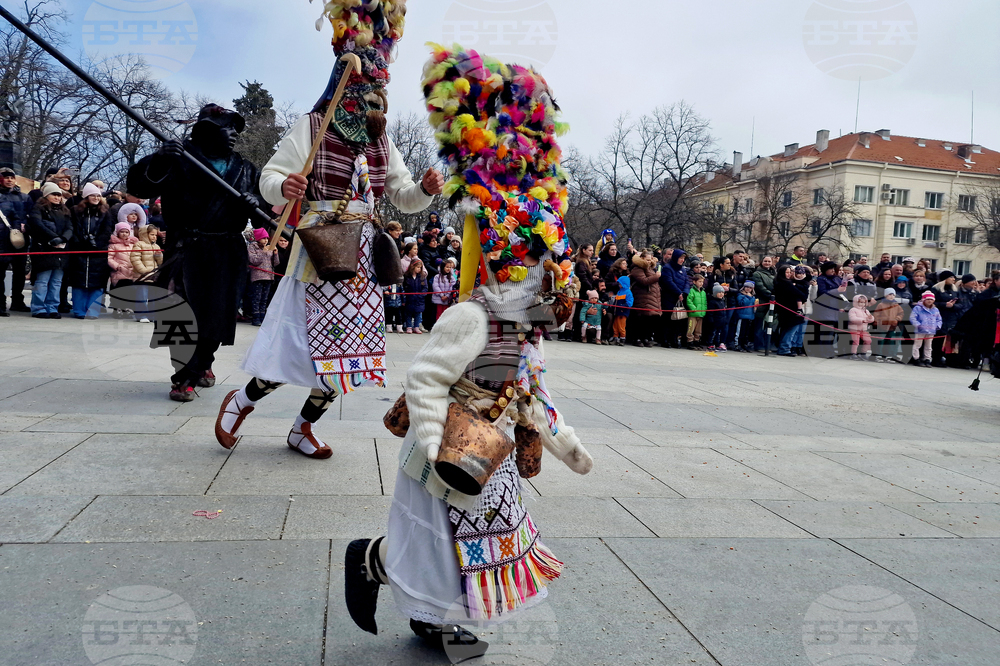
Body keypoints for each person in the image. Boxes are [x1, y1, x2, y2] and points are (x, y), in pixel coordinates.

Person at [342, 41, 590, 658]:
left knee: (471, 543)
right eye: (538, 274)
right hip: (446, 445)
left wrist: (564, 442)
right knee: (431, 543)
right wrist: (431, 441)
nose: (549, 287)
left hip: (489, 449)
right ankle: (402, 588)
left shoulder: (523, 332)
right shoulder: (472, 316)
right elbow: (425, 379)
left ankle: (413, 598)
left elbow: (530, 393)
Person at [218, 5, 443, 460]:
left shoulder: (382, 141)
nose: (376, 99)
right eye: (368, 90)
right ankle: (241, 401)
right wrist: (284, 184)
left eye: (381, 91)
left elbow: (401, 194)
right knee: (296, 347)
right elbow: (269, 177)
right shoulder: (313, 126)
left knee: (350, 361)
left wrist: (423, 188)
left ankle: (303, 428)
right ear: (345, 87)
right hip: (318, 252)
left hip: (362, 260)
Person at [128, 103, 267, 401]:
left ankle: (204, 362)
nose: (233, 136)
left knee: (218, 314)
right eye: (226, 129)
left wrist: (253, 200)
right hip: (187, 247)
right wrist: (158, 159)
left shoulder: (245, 168)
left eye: (235, 130)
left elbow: (263, 217)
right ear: (205, 131)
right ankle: (184, 375)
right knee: (184, 314)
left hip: (228, 248)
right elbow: (139, 186)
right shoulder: (179, 157)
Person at [67, 183, 114, 320]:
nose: (96, 198)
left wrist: (97, 244)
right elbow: (73, 228)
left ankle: (93, 310)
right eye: (93, 195)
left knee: (97, 283)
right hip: (80, 251)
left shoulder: (105, 213)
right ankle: (79, 310)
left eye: (98, 195)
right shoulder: (76, 211)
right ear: (86, 196)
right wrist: (81, 242)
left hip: (98, 253)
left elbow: (107, 231)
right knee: (79, 282)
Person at [26, 182, 73, 318]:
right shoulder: (38, 208)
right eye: (54, 194)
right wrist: (54, 237)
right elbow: (37, 224)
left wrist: (63, 238)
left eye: (59, 195)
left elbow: (70, 227)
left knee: (56, 282)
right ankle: (38, 307)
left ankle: (52, 307)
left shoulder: (65, 210)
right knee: (42, 281)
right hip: (43, 249)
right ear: (46, 195)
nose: (57, 197)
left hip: (61, 251)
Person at [0, 166, 31, 313]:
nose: (9, 180)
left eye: (12, 177)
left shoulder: (24, 197)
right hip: (1, 240)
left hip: (19, 240)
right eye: (6, 177)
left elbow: (31, 215)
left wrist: (26, 225)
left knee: (19, 272)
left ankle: (17, 301)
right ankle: (0, 303)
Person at [246, 227, 277, 326]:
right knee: (257, 298)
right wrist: (264, 252)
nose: (266, 240)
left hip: (269, 276)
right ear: (257, 238)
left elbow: (275, 263)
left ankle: (263, 317)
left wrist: (275, 254)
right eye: (263, 238)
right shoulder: (252, 247)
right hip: (258, 277)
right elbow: (254, 261)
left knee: (264, 298)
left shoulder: (269, 247)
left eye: (267, 238)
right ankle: (255, 318)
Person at [659, 248, 689, 348]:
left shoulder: (683, 269)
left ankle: (674, 340)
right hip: (669, 297)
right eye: (681, 258)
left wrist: (684, 293)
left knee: (678, 321)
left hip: (680, 298)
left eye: (683, 258)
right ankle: (665, 340)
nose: (682, 260)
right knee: (667, 320)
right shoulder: (667, 268)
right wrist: (678, 292)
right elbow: (668, 282)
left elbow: (686, 282)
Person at [628, 250, 660, 347]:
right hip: (641, 295)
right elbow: (643, 281)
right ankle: (636, 338)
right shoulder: (637, 268)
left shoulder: (651, 269)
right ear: (642, 258)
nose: (649, 262)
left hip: (650, 296)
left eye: (650, 260)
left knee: (649, 319)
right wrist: (656, 277)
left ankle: (645, 337)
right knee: (640, 318)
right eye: (647, 260)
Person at [107, 222, 137, 318]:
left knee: (129, 292)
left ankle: (127, 307)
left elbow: (136, 256)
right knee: (118, 291)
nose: (124, 234)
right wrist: (117, 266)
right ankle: (117, 308)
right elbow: (109, 258)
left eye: (126, 232)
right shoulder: (113, 245)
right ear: (117, 233)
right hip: (119, 272)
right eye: (122, 232)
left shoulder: (133, 245)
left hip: (130, 272)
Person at [751, 256, 777, 351]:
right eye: (765, 261)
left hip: (772, 303)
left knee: (769, 326)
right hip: (762, 301)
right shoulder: (757, 273)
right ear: (762, 262)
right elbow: (760, 287)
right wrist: (772, 295)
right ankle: (759, 345)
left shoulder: (774, 273)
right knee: (759, 325)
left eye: (769, 261)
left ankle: (768, 344)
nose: (767, 263)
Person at [909, 291, 941, 367]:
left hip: (931, 330)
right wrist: (918, 325)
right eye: (927, 299)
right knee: (917, 344)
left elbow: (939, 319)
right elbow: (913, 317)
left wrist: (937, 326)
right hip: (920, 330)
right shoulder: (918, 308)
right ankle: (916, 358)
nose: (929, 301)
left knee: (929, 346)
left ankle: (927, 359)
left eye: (931, 299)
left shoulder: (935, 309)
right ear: (923, 300)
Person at [874, 288, 905, 363]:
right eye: (889, 294)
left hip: (892, 326)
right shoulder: (881, 305)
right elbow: (876, 314)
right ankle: (878, 355)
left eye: (893, 295)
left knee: (890, 341)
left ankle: (888, 355)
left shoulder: (896, 305)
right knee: (880, 340)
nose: (891, 296)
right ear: (885, 295)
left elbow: (901, 313)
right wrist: (878, 322)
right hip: (882, 326)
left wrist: (897, 319)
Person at [403, 259, 428, 334]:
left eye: (420, 267)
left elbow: (425, 288)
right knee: (408, 313)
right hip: (409, 298)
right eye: (417, 267)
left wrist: (421, 295)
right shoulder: (407, 276)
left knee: (418, 313)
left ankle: (416, 327)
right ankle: (409, 327)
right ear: (412, 266)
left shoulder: (422, 276)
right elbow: (404, 287)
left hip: (419, 299)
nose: (419, 269)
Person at [847, 294, 875, 361]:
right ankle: (853, 354)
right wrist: (862, 320)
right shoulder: (853, 310)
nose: (862, 304)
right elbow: (852, 318)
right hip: (854, 329)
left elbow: (871, 319)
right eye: (860, 302)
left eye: (864, 302)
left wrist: (871, 318)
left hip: (864, 329)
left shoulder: (866, 310)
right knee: (856, 341)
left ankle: (863, 353)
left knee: (868, 340)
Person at [609, 267, 632, 346]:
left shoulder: (628, 292)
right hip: (617, 311)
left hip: (622, 312)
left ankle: (622, 338)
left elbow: (629, 303)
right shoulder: (619, 292)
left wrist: (622, 307)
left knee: (621, 326)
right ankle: (615, 337)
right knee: (615, 325)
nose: (619, 285)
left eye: (620, 283)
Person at [734, 280, 757, 352]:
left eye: (750, 288)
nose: (748, 289)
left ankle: (744, 345)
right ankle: (738, 345)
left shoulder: (753, 297)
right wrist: (748, 297)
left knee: (746, 332)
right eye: (747, 287)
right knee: (740, 331)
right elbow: (742, 303)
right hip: (742, 315)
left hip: (749, 316)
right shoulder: (740, 295)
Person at [685, 273, 707, 349]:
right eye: (699, 281)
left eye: (702, 282)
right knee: (691, 328)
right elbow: (689, 300)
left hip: (700, 314)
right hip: (693, 313)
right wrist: (693, 308)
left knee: (698, 329)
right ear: (694, 282)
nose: (701, 283)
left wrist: (704, 310)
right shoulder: (692, 291)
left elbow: (704, 303)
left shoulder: (703, 292)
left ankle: (696, 341)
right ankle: (689, 341)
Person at [705, 283, 727, 352]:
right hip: (714, 321)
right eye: (719, 292)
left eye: (722, 292)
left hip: (721, 321)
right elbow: (710, 312)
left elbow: (724, 311)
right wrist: (711, 320)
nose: (721, 294)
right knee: (712, 333)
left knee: (718, 333)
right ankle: (710, 343)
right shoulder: (712, 302)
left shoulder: (722, 301)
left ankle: (717, 344)